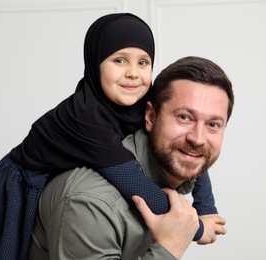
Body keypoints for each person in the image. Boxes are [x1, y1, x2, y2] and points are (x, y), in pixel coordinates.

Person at [0, 13, 217, 260]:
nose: (133, 73)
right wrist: (196, 227)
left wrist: (206, 206)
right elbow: (135, 186)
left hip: (76, 167)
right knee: (17, 253)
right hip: (27, 177)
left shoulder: (144, 101)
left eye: (143, 63)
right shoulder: (85, 118)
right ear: (96, 64)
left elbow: (190, 145)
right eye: (119, 60)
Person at [28, 56, 233, 259]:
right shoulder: (91, 203)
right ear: (150, 117)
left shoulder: (173, 162)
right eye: (184, 117)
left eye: (213, 125)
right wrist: (169, 248)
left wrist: (205, 207)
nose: (197, 139)